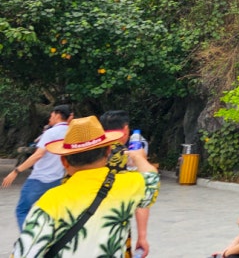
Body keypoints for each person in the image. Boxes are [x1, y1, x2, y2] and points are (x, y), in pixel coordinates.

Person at [11, 115, 160, 258]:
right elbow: (152, 177)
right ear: (108, 151)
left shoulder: (50, 202)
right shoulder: (130, 184)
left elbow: (24, 253)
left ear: (64, 161)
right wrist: (138, 156)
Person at [2, 104, 73, 229]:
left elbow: (38, 155)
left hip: (40, 179)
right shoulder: (71, 132)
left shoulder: (50, 133)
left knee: (22, 210)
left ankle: (28, 240)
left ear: (57, 115)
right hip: (59, 179)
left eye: (51, 116)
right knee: (53, 211)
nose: (49, 118)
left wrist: (16, 171)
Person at [101, 110, 154, 257]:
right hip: (116, 227)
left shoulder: (90, 154)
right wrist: (142, 236)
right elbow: (143, 197)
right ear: (125, 129)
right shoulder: (128, 157)